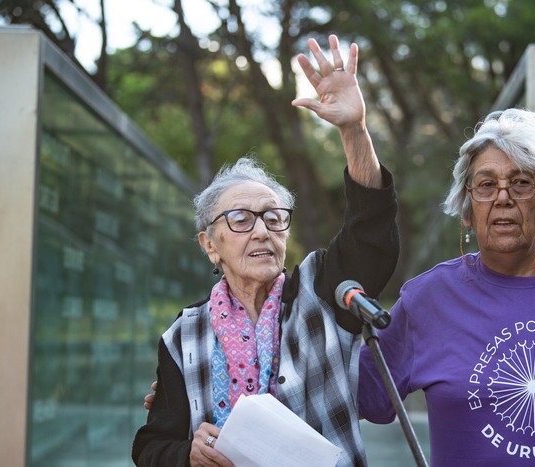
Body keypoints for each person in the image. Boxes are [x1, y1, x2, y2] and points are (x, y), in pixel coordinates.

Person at [132, 34, 399, 467]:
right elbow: (150, 446)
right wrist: (188, 454)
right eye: (240, 219)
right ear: (209, 244)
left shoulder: (321, 292)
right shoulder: (185, 334)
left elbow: (371, 229)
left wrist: (353, 129)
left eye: (273, 217)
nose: (261, 231)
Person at [358, 108, 535, 465]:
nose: (503, 197)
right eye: (486, 185)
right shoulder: (429, 299)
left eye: (520, 183)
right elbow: (362, 395)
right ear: (468, 210)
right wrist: (354, 131)